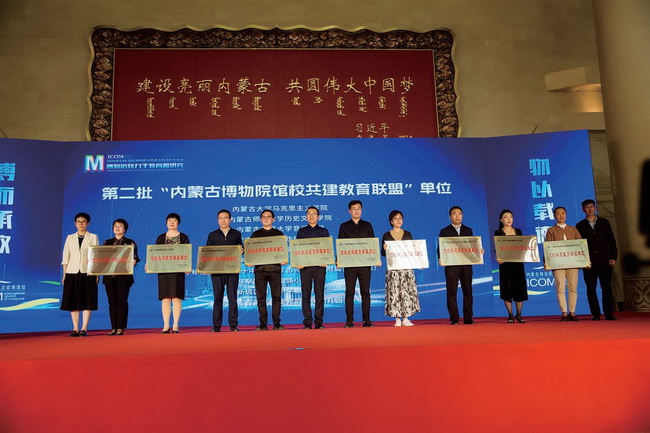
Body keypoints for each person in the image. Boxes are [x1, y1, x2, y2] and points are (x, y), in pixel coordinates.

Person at [576, 199, 618, 320]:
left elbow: (612, 241)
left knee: (607, 287)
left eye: (591, 207)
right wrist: (581, 261)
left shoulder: (604, 222)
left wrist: (613, 257)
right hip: (589, 262)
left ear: (595, 208)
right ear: (583, 210)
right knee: (591, 288)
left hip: (605, 260)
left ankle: (609, 313)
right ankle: (595, 314)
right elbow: (578, 245)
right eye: (587, 207)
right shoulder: (580, 225)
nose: (589, 209)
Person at [438, 206, 480, 325]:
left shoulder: (468, 230)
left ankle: (468, 318)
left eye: (459, 213)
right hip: (452, 266)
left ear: (462, 215)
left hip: (466, 265)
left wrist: (479, 252)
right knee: (452, 292)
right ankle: (454, 318)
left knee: (468, 291)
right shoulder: (445, 231)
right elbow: (440, 248)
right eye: (454, 213)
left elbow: (472, 246)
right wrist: (441, 258)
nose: (457, 216)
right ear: (450, 216)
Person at [338, 200, 376, 328]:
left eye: (358, 208)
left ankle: (366, 320)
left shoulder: (367, 225)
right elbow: (341, 245)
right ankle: (349, 321)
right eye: (354, 208)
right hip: (350, 265)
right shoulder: (344, 226)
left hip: (365, 265)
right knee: (349, 292)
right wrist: (339, 260)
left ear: (361, 210)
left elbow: (372, 244)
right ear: (349, 211)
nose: (356, 211)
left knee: (365, 292)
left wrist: (375, 258)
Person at [61, 212, 99, 337]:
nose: (81, 224)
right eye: (78, 221)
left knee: (87, 300)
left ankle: (84, 328)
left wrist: (96, 274)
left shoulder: (93, 237)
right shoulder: (70, 237)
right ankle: (75, 328)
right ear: (75, 223)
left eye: (83, 222)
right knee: (73, 301)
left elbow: (96, 256)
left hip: (88, 272)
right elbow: (66, 257)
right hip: (72, 272)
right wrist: (64, 274)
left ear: (88, 224)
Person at [206, 209, 243, 332]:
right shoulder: (212, 235)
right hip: (217, 272)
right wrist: (207, 267)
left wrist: (242, 251)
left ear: (230, 219)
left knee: (232, 298)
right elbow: (207, 253)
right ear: (218, 220)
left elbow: (240, 249)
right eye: (220, 218)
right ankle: (216, 326)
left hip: (232, 270)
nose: (223, 220)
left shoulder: (236, 234)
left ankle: (233, 325)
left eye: (225, 218)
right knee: (218, 299)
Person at [381, 210, 420, 326]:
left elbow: (412, 251)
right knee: (395, 292)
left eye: (400, 218)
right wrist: (384, 248)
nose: (398, 220)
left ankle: (406, 318)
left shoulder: (408, 234)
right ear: (391, 221)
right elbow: (383, 253)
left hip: (406, 268)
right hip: (393, 269)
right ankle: (397, 318)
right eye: (395, 218)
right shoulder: (386, 235)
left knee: (406, 292)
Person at [249, 209, 286, 331]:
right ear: (260, 220)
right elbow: (251, 252)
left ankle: (277, 323)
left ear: (273, 219)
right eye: (263, 217)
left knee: (276, 297)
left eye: (268, 216)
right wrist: (249, 260)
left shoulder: (278, 234)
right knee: (261, 298)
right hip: (260, 270)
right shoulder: (255, 235)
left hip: (275, 269)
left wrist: (283, 259)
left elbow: (282, 250)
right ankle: (263, 324)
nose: (266, 219)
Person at [102, 218, 140, 335]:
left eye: (120, 226)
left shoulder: (130, 242)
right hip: (109, 277)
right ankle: (113, 327)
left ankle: (120, 327)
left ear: (125, 229)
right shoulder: (106, 243)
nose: (117, 228)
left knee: (122, 301)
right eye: (115, 226)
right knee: (112, 302)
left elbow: (135, 257)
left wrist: (134, 261)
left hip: (124, 277)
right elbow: (101, 259)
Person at [545, 206, 582, 321]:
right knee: (560, 288)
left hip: (573, 263)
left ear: (566, 214)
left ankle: (572, 312)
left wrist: (584, 261)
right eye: (558, 214)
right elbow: (547, 248)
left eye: (563, 213)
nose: (561, 215)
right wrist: (547, 262)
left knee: (572, 287)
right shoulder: (551, 230)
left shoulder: (573, 229)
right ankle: (564, 313)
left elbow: (581, 245)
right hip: (557, 263)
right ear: (554, 216)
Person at [155, 213, 190, 333]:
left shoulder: (183, 237)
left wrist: (187, 266)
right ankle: (166, 325)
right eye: (169, 220)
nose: (172, 222)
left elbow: (187, 253)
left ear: (178, 223)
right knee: (165, 298)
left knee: (176, 298)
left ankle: (175, 324)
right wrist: (151, 265)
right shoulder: (161, 238)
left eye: (174, 220)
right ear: (166, 223)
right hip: (164, 270)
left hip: (177, 271)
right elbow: (155, 253)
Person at [296, 206, 330, 329]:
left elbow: (327, 248)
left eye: (314, 214)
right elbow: (297, 249)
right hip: (305, 267)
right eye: (309, 214)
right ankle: (307, 322)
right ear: (306, 216)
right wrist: (298, 262)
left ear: (318, 217)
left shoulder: (324, 231)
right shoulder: (301, 232)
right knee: (306, 294)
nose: (311, 216)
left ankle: (319, 322)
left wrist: (326, 260)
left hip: (320, 266)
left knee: (319, 294)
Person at [494, 209, 528, 323]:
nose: (509, 219)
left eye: (510, 217)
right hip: (505, 265)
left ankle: (519, 314)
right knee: (507, 289)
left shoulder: (518, 231)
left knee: (519, 288)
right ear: (501, 220)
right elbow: (497, 247)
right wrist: (499, 257)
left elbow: (522, 246)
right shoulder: (498, 232)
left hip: (518, 264)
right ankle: (510, 315)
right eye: (506, 217)